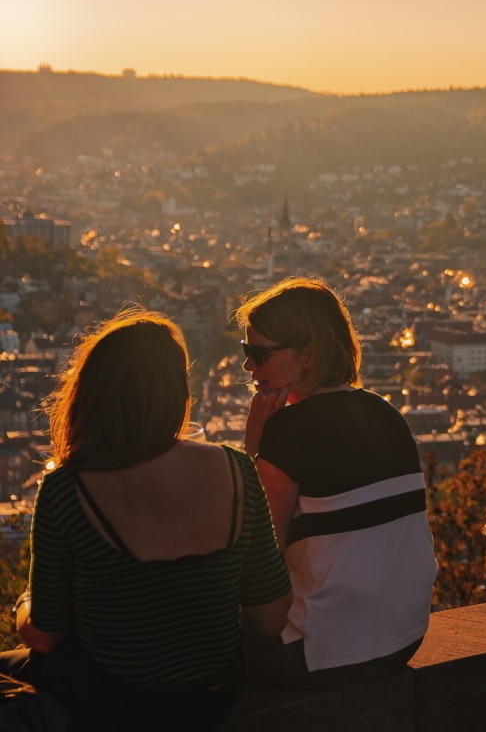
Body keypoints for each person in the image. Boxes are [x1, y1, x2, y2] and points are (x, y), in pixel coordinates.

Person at [1, 312, 291, 730]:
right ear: (176, 389)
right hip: (214, 696)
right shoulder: (236, 470)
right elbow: (271, 615)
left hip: (113, 702)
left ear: (92, 393)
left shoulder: (68, 489)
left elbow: (45, 637)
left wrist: (24, 607)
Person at [238, 278, 435, 689]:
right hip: (405, 638)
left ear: (307, 355)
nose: (248, 367)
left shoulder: (288, 432)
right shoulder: (386, 414)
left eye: (258, 354)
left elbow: (258, 557)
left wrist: (254, 451)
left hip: (325, 652)